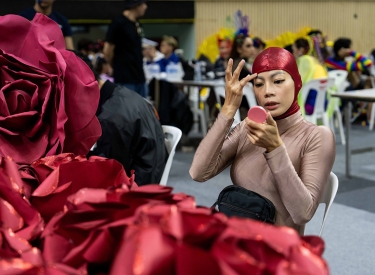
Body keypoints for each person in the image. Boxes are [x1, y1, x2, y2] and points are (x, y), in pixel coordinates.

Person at [189, 47, 336, 235]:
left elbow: (302, 214)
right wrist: (228, 110)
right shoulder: (247, 128)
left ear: (297, 83)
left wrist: (275, 148)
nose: (268, 91)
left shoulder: (317, 136)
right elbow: (198, 173)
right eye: (259, 84)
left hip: (277, 253)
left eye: (278, 81)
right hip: (235, 241)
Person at [73, 51, 168, 186]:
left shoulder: (109, 118)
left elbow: (106, 173)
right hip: (147, 174)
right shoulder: (119, 95)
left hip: (136, 189)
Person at [103, 0, 148, 97]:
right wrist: (114, 65)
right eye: (143, 4)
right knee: (127, 109)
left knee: (143, 109)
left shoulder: (136, 24)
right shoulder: (118, 23)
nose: (145, 7)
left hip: (139, 77)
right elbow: (108, 50)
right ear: (136, 5)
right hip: (125, 77)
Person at [292, 37, 328, 115]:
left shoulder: (304, 60)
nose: (292, 53)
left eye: (293, 50)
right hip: (323, 104)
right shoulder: (315, 60)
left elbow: (297, 82)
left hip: (309, 106)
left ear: (300, 50)